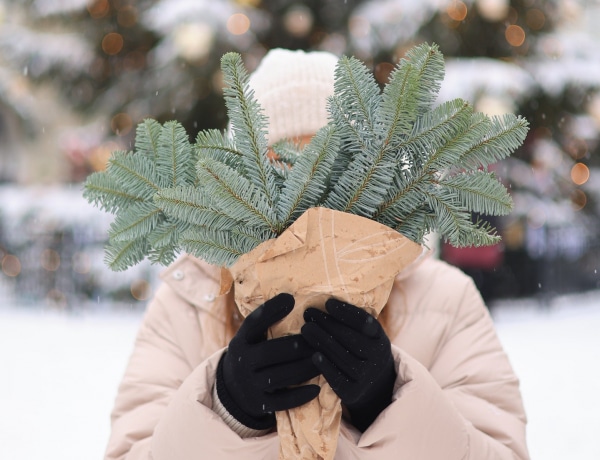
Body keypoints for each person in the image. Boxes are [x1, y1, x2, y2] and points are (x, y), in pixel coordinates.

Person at [104, 49, 529, 459]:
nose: (303, 187)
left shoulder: (444, 300)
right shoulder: (190, 302)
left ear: (368, 174)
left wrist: (388, 401)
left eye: (325, 159)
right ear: (236, 181)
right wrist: (226, 408)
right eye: (279, 162)